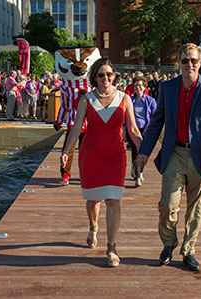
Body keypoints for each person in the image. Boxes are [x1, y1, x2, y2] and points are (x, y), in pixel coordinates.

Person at [136, 43, 201, 272]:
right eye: (185, 60)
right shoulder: (168, 88)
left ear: (200, 62)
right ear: (179, 62)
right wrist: (144, 152)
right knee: (168, 204)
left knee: (195, 208)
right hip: (174, 152)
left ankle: (188, 251)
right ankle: (168, 243)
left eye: (193, 60)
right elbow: (157, 122)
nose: (189, 64)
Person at [60, 58, 143, 268]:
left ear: (114, 76)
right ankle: (93, 225)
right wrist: (66, 151)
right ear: (94, 77)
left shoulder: (125, 99)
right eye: (101, 75)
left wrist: (144, 150)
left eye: (109, 74)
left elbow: (133, 129)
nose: (106, 78)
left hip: (116, 156)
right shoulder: (86, 100)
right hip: (91, 156)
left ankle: (112, 247)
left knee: (113, 201)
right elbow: (77, 128)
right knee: (93, 201)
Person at [129, 76, 157, 187]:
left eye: (140, 85)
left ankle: (139, 171)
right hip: (133, 129)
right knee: (135, 152)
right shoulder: (130, 100)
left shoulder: (150, 101)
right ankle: (137, 176)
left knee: (143, 153)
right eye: (136, 85)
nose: (138, 88)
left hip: (146, 130)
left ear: (145, 87)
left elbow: (155, 117)